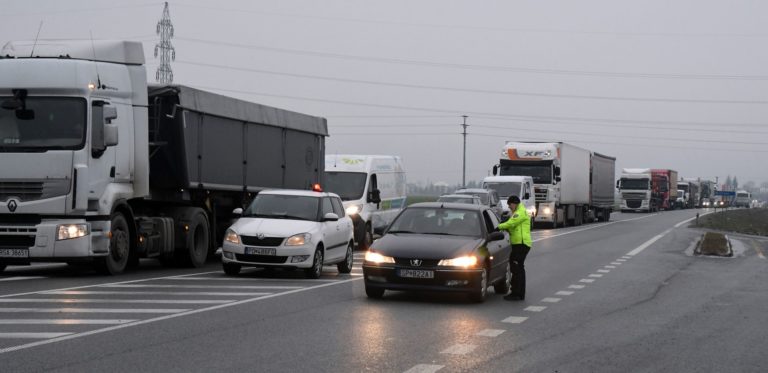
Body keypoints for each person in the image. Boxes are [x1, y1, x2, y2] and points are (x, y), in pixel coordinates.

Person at [497, 195, 532, 301]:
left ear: (514, 203)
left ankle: (516, 293)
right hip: (519, 243)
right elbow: (513, 227)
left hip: (521, 244)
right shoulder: (517, 212)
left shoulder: (520, 212)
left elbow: (512, 223)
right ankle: (520, 293)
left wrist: (499, 226)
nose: (509, 207)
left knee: (516, 268)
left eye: (509, 205)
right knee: (519, 268)